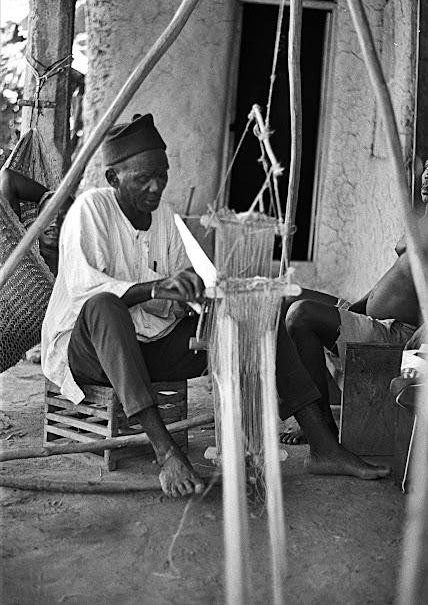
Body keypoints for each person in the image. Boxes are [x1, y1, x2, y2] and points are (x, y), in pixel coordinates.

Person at [42, 114, 391, 500]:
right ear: (113, 179)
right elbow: (85, 292)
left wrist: (203, 295)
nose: (156, 186)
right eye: (143, 178)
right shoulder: (91, 210)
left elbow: (179, 289)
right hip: (89, 352)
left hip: (147, 348)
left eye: (163, 174)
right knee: (106, 306)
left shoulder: (163, 218)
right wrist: (156, 287)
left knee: (255, 316)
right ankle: (167, 454)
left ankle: (323, 446)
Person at [279, 159, 428, 445]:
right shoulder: (421, 219)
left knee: (301, 315)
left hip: (400, 334)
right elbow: (397, 275)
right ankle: (301, 406)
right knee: (287, 298)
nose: (427, 175)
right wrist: (355, 307)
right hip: (375, 318)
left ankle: (322, 429)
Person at [0, 167, 73, 275]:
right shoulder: (17, 250)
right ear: (37, 220)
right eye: (50, 214)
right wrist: (54, 198)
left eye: (64, 217)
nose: (56, 222)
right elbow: (8, 177)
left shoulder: (75, 266)